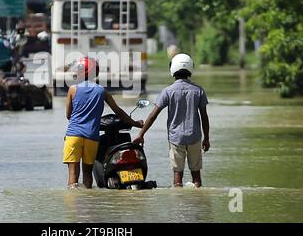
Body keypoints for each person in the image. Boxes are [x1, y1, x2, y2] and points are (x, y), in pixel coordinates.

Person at [64, 56, 144, 189]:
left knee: (73, 174)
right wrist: (135, 123)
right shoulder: (102, 91)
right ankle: (88, 203)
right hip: (92, 137)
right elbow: (118, 111)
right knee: (87, 172)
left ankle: (74, 205)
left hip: (73, 136)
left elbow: (68, 115)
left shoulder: (73, 90)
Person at [133, 53, 210, 187]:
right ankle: (199, 202)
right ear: (191, 68)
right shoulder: (198, 91)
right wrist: (206, 138)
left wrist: (141, 134)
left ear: (172, 69)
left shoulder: (168, 91)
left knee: (177, 174)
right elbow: (204, 117)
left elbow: (153, 115)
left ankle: (178, 203)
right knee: (196, 175)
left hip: (176, 138)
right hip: (195, 136)